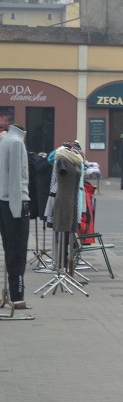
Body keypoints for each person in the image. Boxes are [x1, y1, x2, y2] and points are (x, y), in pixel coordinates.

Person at [0, 124, 31, 309]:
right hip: (15, 203)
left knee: (10, 247)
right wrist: (16, 208)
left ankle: (13, 294)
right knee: (18, 250)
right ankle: (17, 296)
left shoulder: (5, 141)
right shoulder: (16, 142)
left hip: (5, 201)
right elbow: (16, 178)